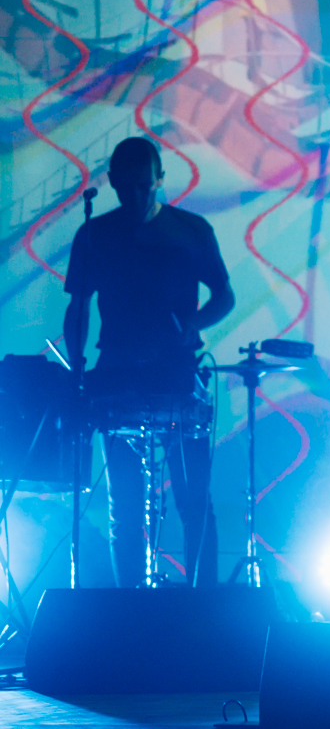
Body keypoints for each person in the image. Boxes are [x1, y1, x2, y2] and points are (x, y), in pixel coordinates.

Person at [63, 137, 234, 588]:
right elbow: (77, 307)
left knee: (193, 501)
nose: (138, 196)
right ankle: (130, 607)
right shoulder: (94, 235)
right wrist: (77, 369)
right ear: (113, 183)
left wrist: (193, 323)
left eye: (145, 186)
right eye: (128, 188)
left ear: (160, 179)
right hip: (116, 376)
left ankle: (203, 605)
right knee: (124, 505)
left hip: (176, 375)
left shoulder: (191, 230)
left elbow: (224, 295)